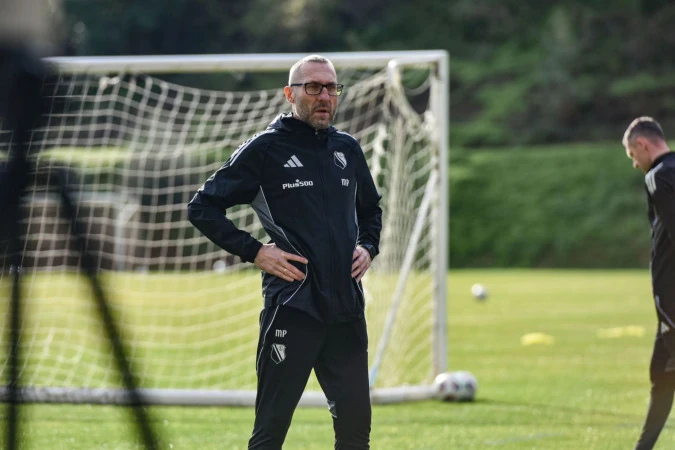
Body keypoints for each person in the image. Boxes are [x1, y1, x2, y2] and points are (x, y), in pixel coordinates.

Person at [187, 54, 382, 449]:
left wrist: (368, 246)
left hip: (346, 309)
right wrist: (256, 252)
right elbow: (202, 207)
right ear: (290, 94)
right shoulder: (265, 149)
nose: (324, 96)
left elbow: (370, 210)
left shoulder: (347, 148)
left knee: (356, 431)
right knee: (271, 432)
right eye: (313, 87)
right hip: (293, 306)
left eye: (331, 87)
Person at [623, 116, 675, 450]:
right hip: (668, 305)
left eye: (632, 155)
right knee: (662, 375)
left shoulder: (658, 176)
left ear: (642, 145)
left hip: (673, 300)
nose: (634, 163)